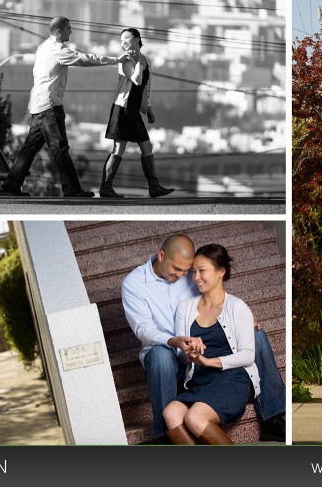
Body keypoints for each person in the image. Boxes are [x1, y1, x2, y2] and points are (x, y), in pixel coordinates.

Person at [121, 234, 287, 443]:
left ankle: (272, 415)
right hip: (168, 354)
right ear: (161, 255)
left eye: (187, 270)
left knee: (257, 336)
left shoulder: (193, 275)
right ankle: (165, 435)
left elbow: (214, 292)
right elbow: (144, 329)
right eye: (177, 270)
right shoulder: (134, 284)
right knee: (161, 356)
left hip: (201, 351)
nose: (183, 276)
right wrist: (175, 340)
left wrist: (241, 316)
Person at [0, 16, 134, 198]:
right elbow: (85, 59)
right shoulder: (58, 50)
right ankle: (71, 189)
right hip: (49, 105)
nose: (71, 31)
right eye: (68, 28)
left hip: (37, 104)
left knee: (30, 148)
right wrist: (115, 60)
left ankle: (11, 183)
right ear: (58, 31)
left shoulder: (42, 47)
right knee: (60, 148)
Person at [163, 244, 256, 445]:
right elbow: (181, 357)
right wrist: (190, 351)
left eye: (202, 271)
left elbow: (248, 355)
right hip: (199, 381)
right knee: (171, 412)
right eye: (194, 271)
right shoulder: (185, 308)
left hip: (232, 379)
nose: (196, 277)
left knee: (194, 417)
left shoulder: (237, 307)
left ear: (221, 272)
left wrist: (207, 361)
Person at [99, 28, 173, 199]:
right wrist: (137, 60)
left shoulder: (147, 60)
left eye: (127, 38)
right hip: (122, 109)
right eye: (121, 39)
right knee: (118, 148)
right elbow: (137, 80)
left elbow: (146, 87)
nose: (123, 41)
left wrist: (147, 108)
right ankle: (106, 187)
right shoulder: (124, 60)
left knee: (147, 147)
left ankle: (154, 187)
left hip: (134, 110)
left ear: (137, 39)